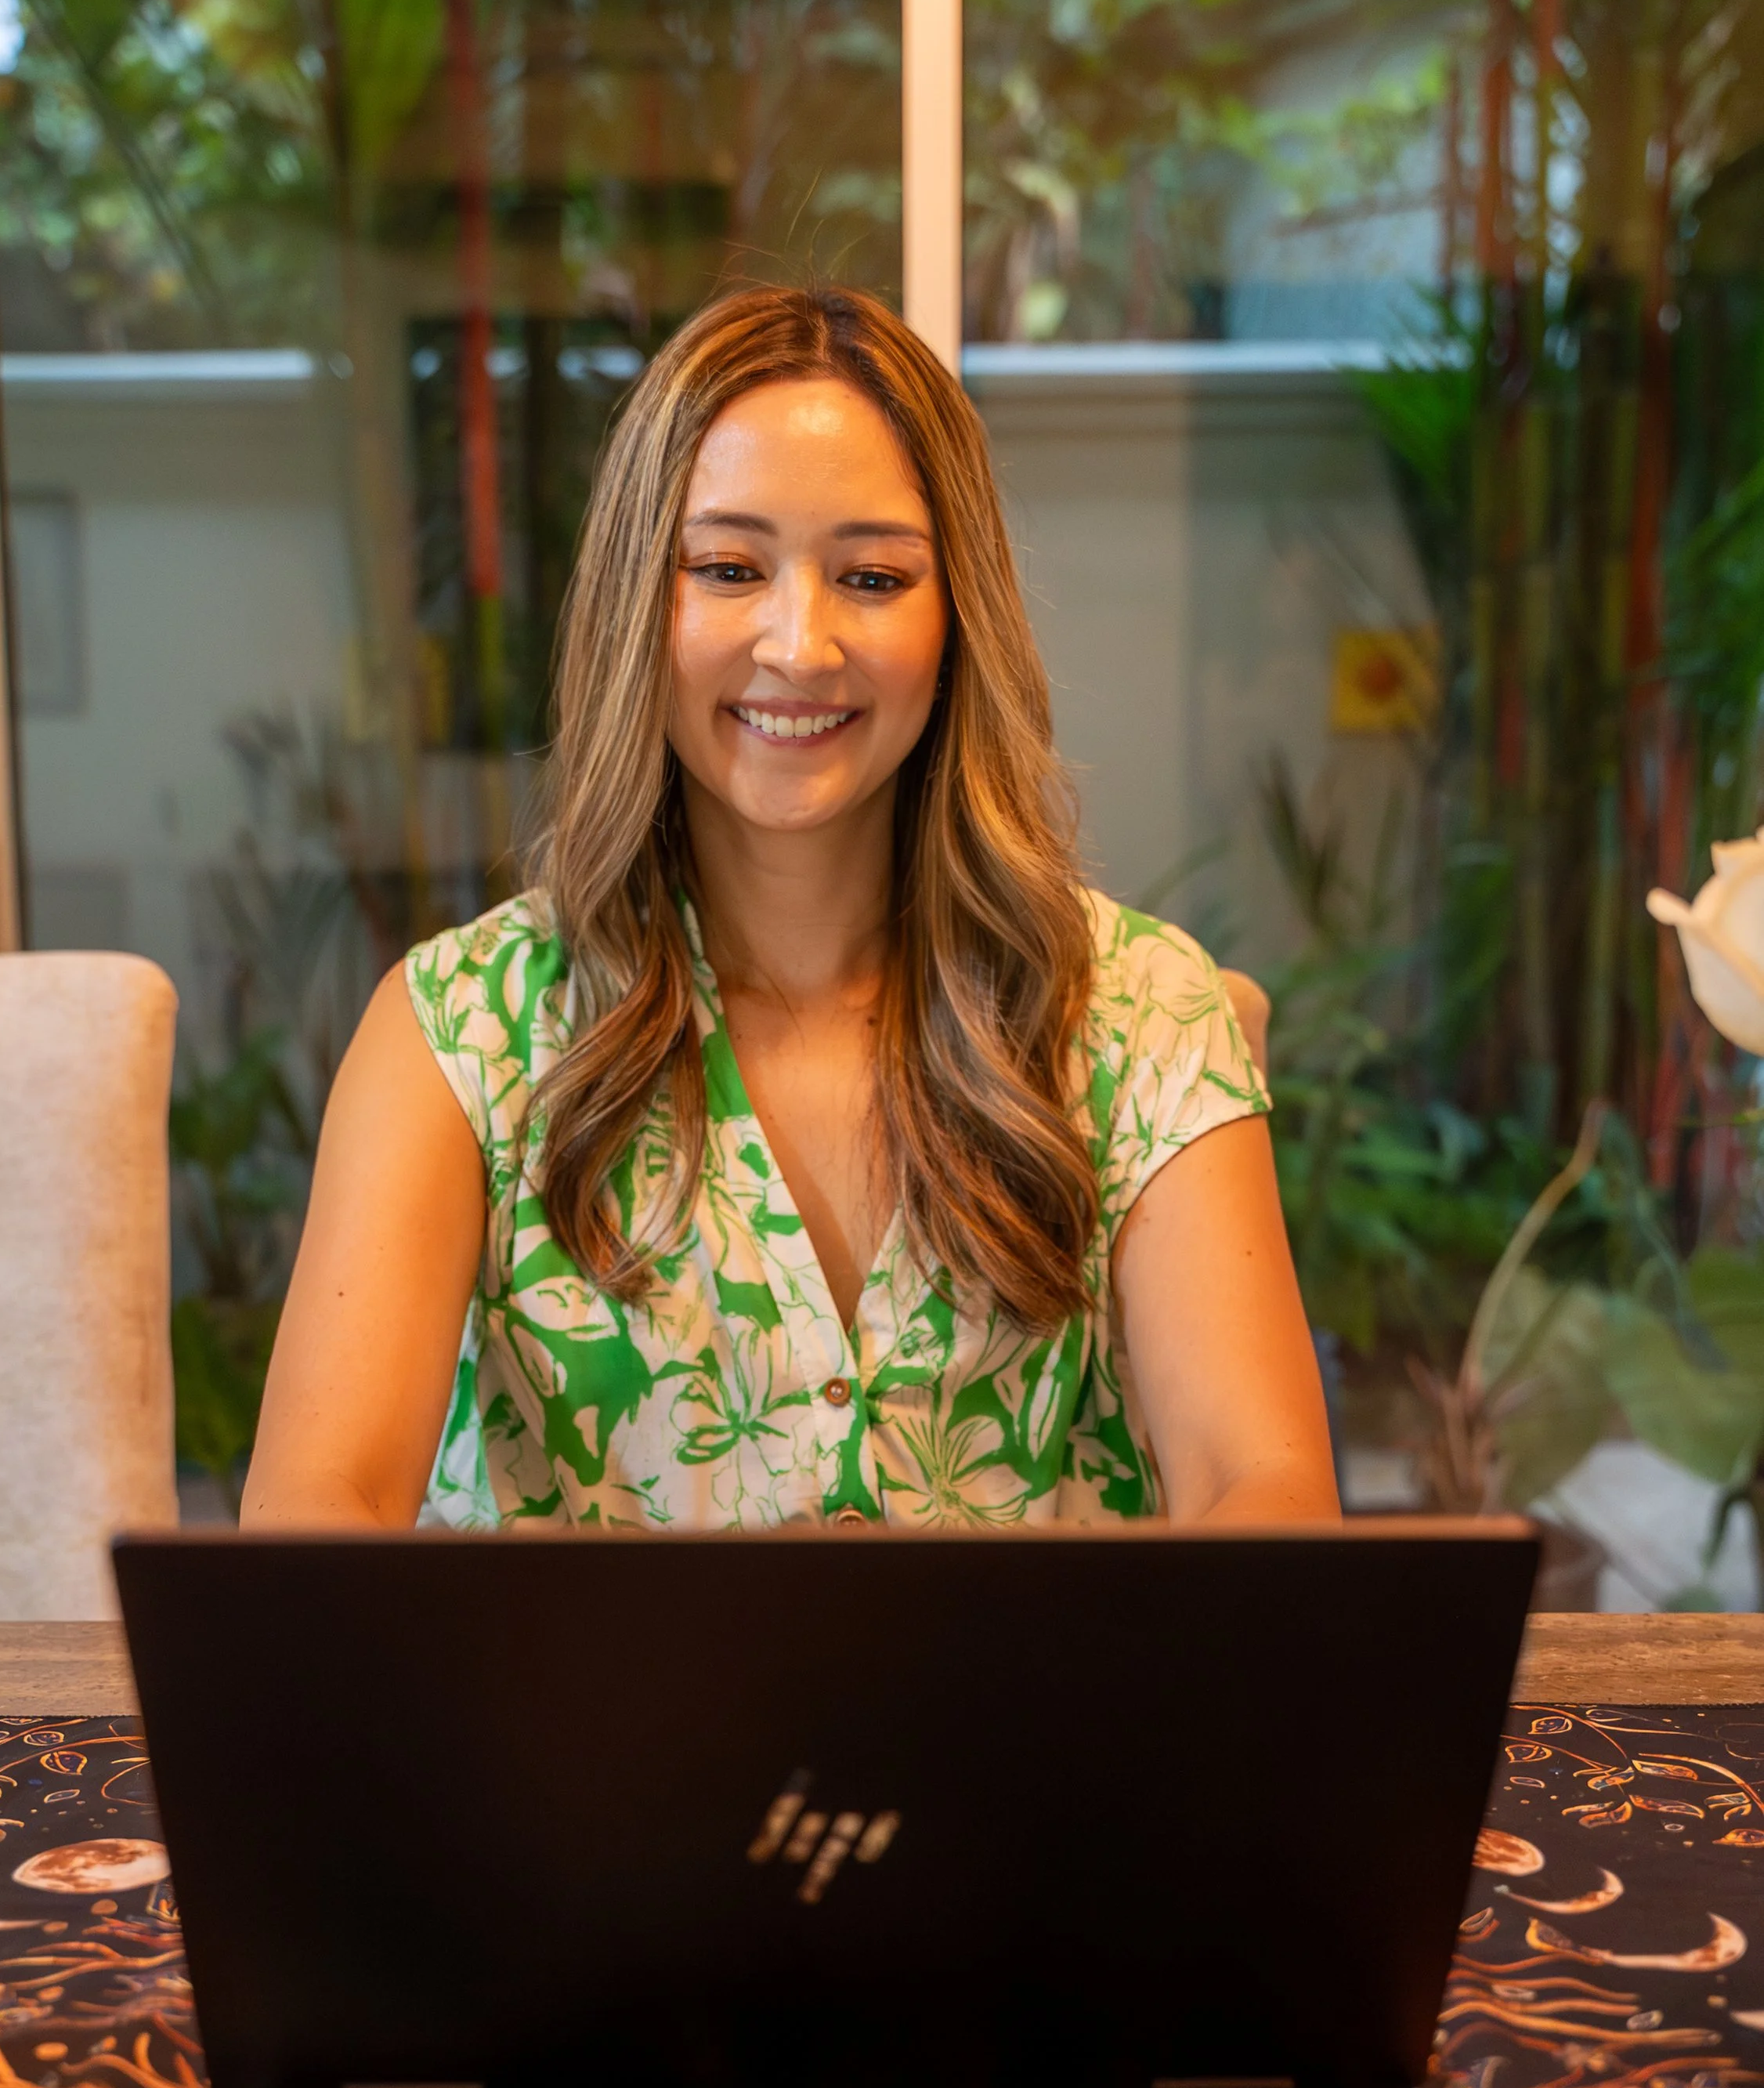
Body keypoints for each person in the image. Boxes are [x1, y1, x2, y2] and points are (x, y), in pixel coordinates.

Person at [242, 285, 1338, 1533]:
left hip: (1044, 1737)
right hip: (579, 1738)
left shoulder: (1144, 1011)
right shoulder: (453, 1031)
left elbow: (1268, 1489)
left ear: (956, 615)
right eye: (728, 567)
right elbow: (314, 1512)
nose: (800, 644)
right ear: (633, 607)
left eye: (872, 575)